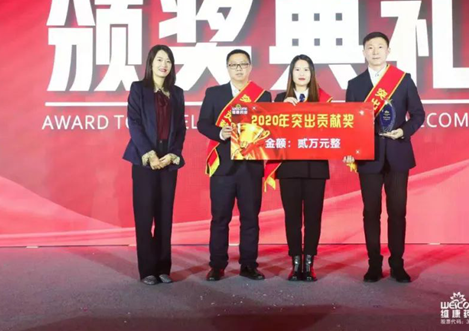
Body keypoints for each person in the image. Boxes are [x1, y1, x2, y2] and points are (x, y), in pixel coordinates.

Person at [344, 32, 425, 283]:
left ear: (388, 51)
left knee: (397, 211)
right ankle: (374, 264)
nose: (375, 51)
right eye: (370, 47)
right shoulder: (355, 84)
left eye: (380, 47)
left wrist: (404, 131)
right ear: (364, 52)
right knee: (371, 212)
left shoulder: (403, 80)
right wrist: (350, 150)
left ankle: (397, 264)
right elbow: (349, 122)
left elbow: (418, 114)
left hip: (398, 153)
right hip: (368, 157)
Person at [197, 49, 272, 281]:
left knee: (250, 218)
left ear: (250, 67)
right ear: (228, 68)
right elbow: (203, 123)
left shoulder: (263, 96)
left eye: (243, 64)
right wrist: (220, 132)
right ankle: (217, 265)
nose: (239, 68)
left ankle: (248, 265)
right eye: (234, 65)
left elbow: (269, 127)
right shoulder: (214, 93)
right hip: (223, 167)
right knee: (220, 218)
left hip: (251, 166)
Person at [123, 45, 186, 285]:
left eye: (168, 61)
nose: (164, 65)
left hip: (168, 161)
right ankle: (148, 269)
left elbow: (180, 129)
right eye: (159, 60)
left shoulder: (177, 93)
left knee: (164, 215)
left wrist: (173, 154)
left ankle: (163, 268)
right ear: (151, 63)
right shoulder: (139, 89)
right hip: (144, 160)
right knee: (144, 214)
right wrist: (149, 155)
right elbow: (134, 122)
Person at [271, 55, 331, 282]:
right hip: (289, 168)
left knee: (314, 217)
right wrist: (281, 110)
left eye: (306, 69)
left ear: (312, 73)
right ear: (291, 74)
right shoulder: (279, 99)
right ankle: (296, 263)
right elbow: (270, 131)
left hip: (316, 168)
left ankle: (309, 263)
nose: (302, 73)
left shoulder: (323, 100)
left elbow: (334, 132)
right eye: (297, 69)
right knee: (292, 217)